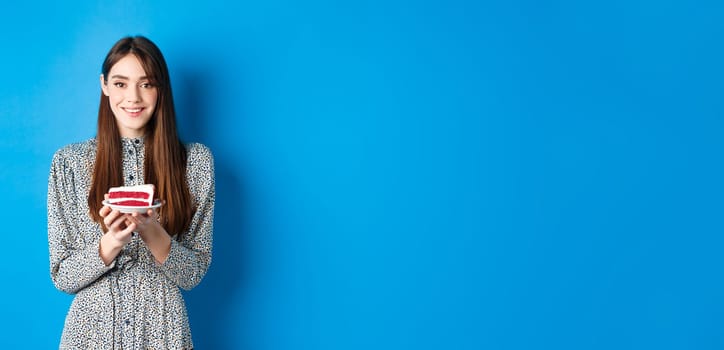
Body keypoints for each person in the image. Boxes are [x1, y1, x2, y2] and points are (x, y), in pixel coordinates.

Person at [47, 36, 214, 349]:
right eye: (121, 83)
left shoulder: (195, 162)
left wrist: (151, 231)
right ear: (105, 85)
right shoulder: (68, 163)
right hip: (90, 335)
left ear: (160, 88)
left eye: (146, 84)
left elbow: (192, 274)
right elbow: (63, 276)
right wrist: (112, 241)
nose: (133, 97)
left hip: (164, 332)